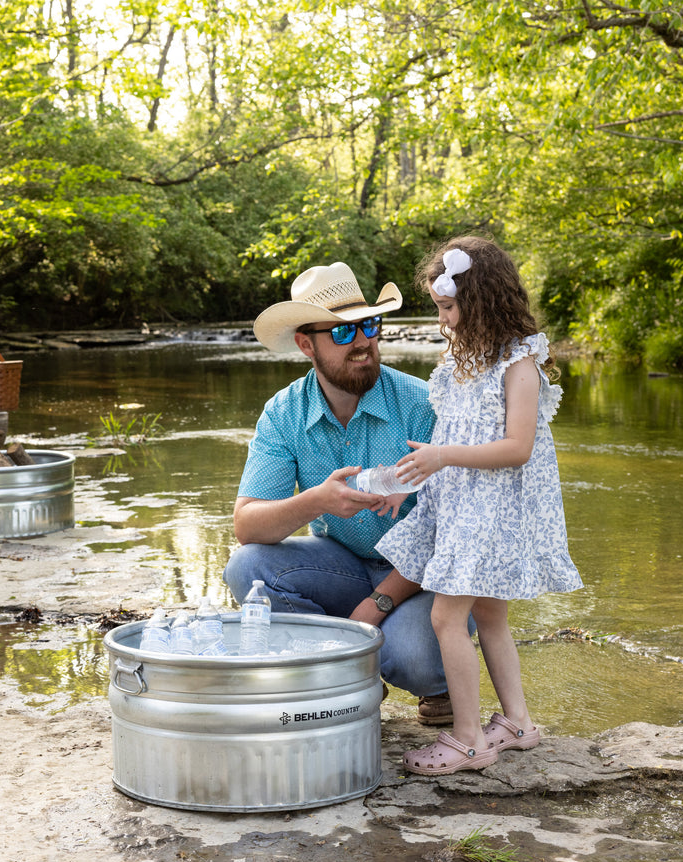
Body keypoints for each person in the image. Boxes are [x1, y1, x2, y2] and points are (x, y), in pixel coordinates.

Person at [377, 237, 582, 775]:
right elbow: (445, 438)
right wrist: (410, 481)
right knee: (489, 613)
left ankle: (468, 740)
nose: (442, 319)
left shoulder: (520, 362)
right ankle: (517, 723)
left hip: (495, 511)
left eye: (448, 307)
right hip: (461, 504)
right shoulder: (460, 361)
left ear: (483, 300)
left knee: (448, 616)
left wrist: (443, 456)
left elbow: (518, 447)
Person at [223, 261, 453, 722]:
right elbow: (247, 525)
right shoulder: (283, 412)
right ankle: (348, 673)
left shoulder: (424, 402)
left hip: (424, 576)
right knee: (247, 568)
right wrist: (316, 501)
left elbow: (450, 531)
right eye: (344, 333)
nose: (364, 342)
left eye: (369, 325)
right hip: (341, 565)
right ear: (306, 344)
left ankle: (416, 680)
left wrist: (375, 606)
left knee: (415, 661)